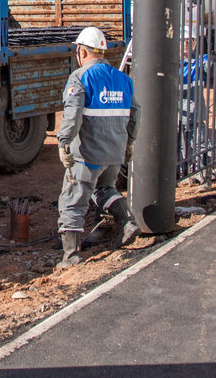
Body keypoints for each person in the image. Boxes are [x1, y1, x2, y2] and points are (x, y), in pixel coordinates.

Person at [57, 26, 140, 267]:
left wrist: (63, 143)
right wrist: (130, 143)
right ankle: (127, 222)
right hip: (115, 152)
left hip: (87, 155)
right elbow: (136, 115)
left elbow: (73, 117)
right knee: (104, 190)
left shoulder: (80, 78)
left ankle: (71, 257)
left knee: (72, 200)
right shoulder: (124, 79)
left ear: (82, 51)